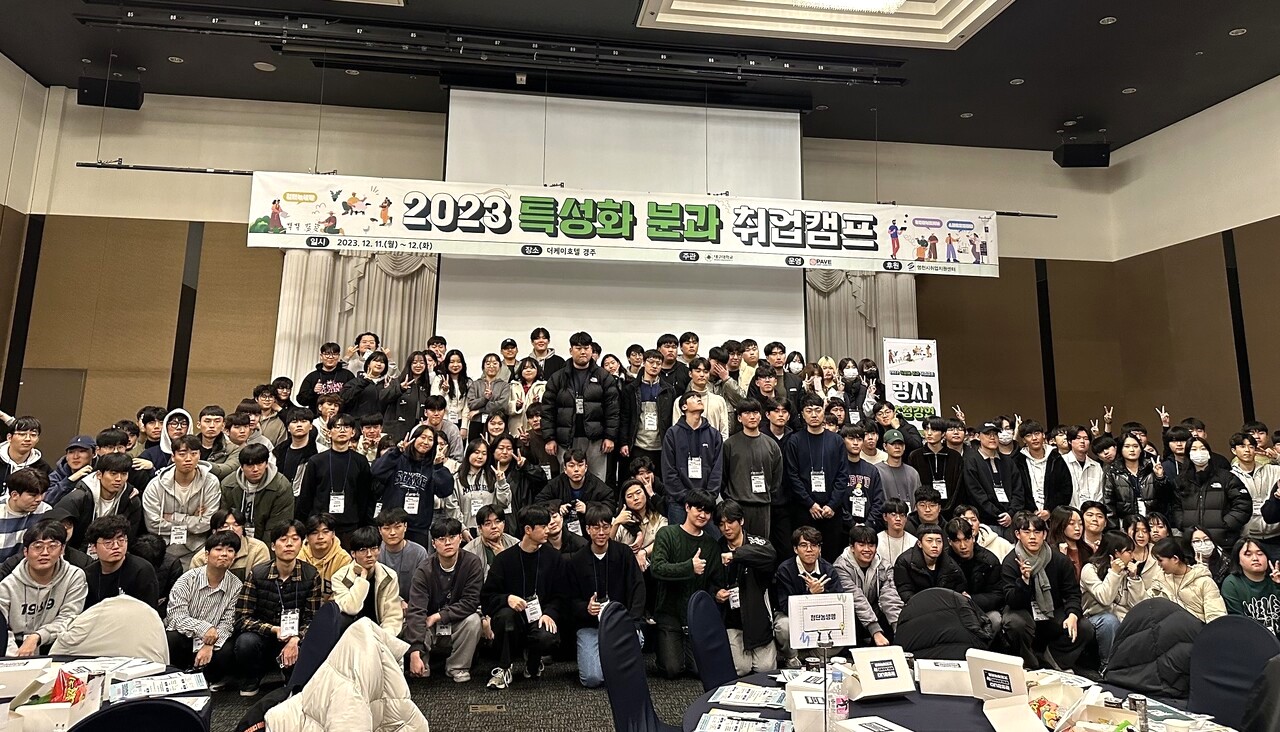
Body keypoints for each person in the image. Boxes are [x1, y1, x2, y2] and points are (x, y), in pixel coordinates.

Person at [233, 520, 324, 696]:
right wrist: (273, 629)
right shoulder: (258, 573)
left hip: (295, 637)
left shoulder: (311, 575)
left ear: (302, 544)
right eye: (283, 539)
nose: (289, 544)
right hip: (264, 636)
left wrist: (295, 638)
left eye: (295, 539)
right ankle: (253, 678)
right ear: (273, 546)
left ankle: (291, 676)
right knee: (245, 643)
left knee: (312, 644)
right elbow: (242, 618)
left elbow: (312, 619)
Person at [480, 504, 564, 690]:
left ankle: (533, 662)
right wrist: (507, 599)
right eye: (543, 526)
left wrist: (550, 613)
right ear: (528, 530)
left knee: (547, 635)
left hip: (540, 616)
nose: (548, 530)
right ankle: (504, 668)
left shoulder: (553, 557)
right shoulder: (504, 559)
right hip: (513, 619)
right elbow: (487, 597)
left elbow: (561, 594)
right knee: (505, 617)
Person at [1001, 512, 1093, 671]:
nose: (1032, 537)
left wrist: (1073, 614)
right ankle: (1030, 664)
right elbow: (1011, 600)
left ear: (1044, 534)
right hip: (1023, 610)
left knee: (1084, 627)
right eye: (1026, 532)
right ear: (1017, 534)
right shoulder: (1011, 561)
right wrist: (1024, 581)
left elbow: (1072, 593)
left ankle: (1054, 660)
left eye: (1037, 532)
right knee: (1015, 623)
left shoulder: (1059, 559)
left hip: (1052, 610)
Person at [568, 503, 646, 687]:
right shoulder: (577, 560)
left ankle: (612, 660)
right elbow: (569, 600)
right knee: (592, 678)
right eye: (596, 528)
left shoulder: (624, 553)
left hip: (621, 623)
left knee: (637, 638)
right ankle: (614, 662)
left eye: (605, 527)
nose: (601, 533)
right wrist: (586, 608)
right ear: (588, 529)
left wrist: (633, 621)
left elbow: (638, 588)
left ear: (611, 527)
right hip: (590, 626)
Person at [650, 489, 723, 678]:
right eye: (698, 509)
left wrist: (717, 592)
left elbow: (714, 581)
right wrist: (689, 567)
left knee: (700, 670)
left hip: (696, 618)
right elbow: (657, 569)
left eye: (707, 511)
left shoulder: (711, 545)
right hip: (669, 614)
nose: (703, 515)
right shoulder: (667, 534)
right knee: (672, 669)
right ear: (687, 507)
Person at [406, 517, 485, 683]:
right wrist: (414, 652)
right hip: (430, 625)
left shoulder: (472, 563)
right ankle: (422, 663)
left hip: (456, 621)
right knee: (416, 621)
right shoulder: (424, 570)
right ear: (434, 543)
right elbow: (416, 609)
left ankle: (457, 667)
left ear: (460, 538)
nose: (447, 543)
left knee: (473, 620)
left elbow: (471, 602)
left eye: (452, 537)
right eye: (441, 539)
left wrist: (439, 616)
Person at [166, 530, 244, 689]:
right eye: (218, 549)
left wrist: (210, 644)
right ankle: (176, 675)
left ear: (234, 557)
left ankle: (209, 679)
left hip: (214, 641)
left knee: (227, 649)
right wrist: (204, 629)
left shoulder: (236, 585)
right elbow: (176, 616)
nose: (224, 554)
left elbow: (228, 622)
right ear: (207, 554)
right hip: (186, 636)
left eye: (230, 551)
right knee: (172, 638)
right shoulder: (188, 579)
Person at [540, 331, 620, 481]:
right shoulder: (558, 377)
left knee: (596, 480)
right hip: (565, 438)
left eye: (586, 348)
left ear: (591, 350)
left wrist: (610, 437)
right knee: (567, 479)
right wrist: (549, 438)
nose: (583, 351)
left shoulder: (604, 377)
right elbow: (547, 410)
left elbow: (613, 410)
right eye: (578, 348)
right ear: (571, 351)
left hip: (596, 439)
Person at [0, 521, 87, 655]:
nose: (45, 553)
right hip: (15, 650)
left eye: (52, 546)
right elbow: (2, 628)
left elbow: (69, 617)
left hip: (58, 646)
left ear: (62, 549)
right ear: (25, 551)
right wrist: (16, 656)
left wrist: (37, 637)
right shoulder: (7, 585)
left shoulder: (74, 576)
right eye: (38, 546)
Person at [784, 393, 850, 562]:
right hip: (804, 510)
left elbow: (843, 475)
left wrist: (832, 505)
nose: (814, 415)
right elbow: (792, 476)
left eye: (818, 410)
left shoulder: (836, 440)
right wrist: (810, 504)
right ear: (802, 414)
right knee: (805, 555)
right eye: (809, 411)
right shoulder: (794, 441)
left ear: (824, 412)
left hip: (831, 511)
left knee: (831, 556)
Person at [714, 500, 778, 675]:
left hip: (758, 617)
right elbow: (710, 580)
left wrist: (736, 555)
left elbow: (771, 555)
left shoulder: (757, 542)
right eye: (721, 524)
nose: (726, 528)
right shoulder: (716, 547)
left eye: (730, 522)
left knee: (765, 669)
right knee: (741, 669)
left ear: (741, 521)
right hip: (733, 620)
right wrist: (716, 592)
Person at [143, 435, 222, 568]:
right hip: (164, 548)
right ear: (173, 457)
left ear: (200, 455)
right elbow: (153, 524)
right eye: (182, 454)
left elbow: (207, 522)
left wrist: (173, 517)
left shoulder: (211, 482)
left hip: (198, 548)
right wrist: (194, 520)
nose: (188, 459)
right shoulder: (155, 485)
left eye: (194, 454)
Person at [296, 414, 374, 545]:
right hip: (320, 525)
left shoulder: (360, 461)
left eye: (346, 427)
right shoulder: (316, 461)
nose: (342, 430)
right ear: (329, 432)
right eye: (337, 427)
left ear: (353, 432)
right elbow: (306, 496)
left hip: (350, 525)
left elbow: (364, 497)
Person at [372, 424, 456, 546]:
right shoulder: (397, 458)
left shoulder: (433, 466)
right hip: (392, 525)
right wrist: (397, 451)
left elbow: (445, 491)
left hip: (418, 528)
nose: (426, 442)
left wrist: (438, 466)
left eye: (430, 439)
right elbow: (376, 471)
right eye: (422, 437)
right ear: (413, 438)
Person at [773, 526, 845, 668]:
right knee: (783, 626)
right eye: (804, 545)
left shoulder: (828, 569)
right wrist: (810, 594)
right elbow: (785, 607)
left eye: (814, 545)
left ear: (819, 549)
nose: (809, 550)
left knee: (843, 627)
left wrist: (822, 593)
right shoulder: (785, 570)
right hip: (792, 617)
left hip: (820, 617)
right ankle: (792, 657)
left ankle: (812, 656)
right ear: (795, 549)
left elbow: (839, 605)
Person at [1171, 436, 1252, 551]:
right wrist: (1183, 523)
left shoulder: (1226, 477)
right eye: (1194, 449)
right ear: (1188, 454)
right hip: (1193, 541)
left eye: (1203, 448)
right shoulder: (1180, 481)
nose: (1199, 452)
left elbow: (1243, 504)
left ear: (1209, 452)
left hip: (1223, 542)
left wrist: (1225, 524)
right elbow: (1176, 507)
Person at [52, 452, 142, 550]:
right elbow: (54, 524)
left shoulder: (131, 500)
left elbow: (129, 537)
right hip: (78, 550)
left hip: (113, 550)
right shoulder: (78, 497)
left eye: (124, 474)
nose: (119, 479)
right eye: (113, 474)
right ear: (99, 474)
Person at [1080, 531, 1143, 670]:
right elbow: (1105, 599)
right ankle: (1107, 666)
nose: (1132, 556)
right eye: (1129, 552)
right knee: (1109, 621)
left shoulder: (1127, 570)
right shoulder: (1090, 569)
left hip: (1120, 615)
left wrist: (1134, 578)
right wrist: (1114, 573)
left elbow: (1138, 605)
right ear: (1116, 553)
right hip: (1095, 617)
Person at [721, 399, 783, 539]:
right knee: (737, 545)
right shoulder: (730, 444)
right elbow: (723, 476)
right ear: (739, 418)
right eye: (747, 413)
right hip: (737, 504)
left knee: (760, 546)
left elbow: (776, 477)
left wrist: (767, 493)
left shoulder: (771, 445)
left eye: (755, 412)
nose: (752, 417)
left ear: (760, 416)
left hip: (762, 505)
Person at [661, 392, 725, 527]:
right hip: (679, 502)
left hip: (707, 502)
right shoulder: (672, 434)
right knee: (678, 539)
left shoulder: (714, 434)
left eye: (699, 397)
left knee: (712, 539)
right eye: (693, 397)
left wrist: (708, 497)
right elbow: (668, 470)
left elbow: (717, 470)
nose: (698, 399)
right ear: (684, 407)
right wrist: (686, 498)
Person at [833, 525, 901, 645]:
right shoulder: (840, 567)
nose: (867, 549)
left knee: (890, 619)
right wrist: (875, 631)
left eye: (871, 545)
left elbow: (890, 597)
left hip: (875, 612)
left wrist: (898, 627)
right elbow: (856, 598)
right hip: (851, 616)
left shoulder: (884, 566)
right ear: (852, 547)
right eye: (861, 545)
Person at [330, 526, 403, 636]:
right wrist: (362, 578)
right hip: (348, 634)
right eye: (363, 550)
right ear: (353, 553)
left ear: (379, 549)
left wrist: (381, 638)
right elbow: (352, 608)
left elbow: (392, 617)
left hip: (380, 634)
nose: (369, 555)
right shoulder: (339, 578)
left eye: (373, 548)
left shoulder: (389, 576)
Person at [962, 421, 1029, 534]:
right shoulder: (971, 462)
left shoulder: (1008, 461)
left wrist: (1011, 513)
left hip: (1011, 520)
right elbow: (976, 493)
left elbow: (1018, 490)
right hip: (986, 522)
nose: (992, 437)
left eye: (995, 434)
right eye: (987, 434)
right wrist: (997, 514)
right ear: (978, 436)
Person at [219, 443, 292, 541]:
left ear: (267, 464)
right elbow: (223, 520)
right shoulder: (228, 485)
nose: (255, 469)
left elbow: (277, 526)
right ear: (241, 467)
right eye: (250, 465)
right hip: (234, 539)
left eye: (260, 464)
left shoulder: (281, 486)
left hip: (267, 540)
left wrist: (264, 549)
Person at [945, 517, 1006, 635]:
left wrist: (971, 599)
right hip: (952, 611)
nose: (963, 546)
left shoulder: (989, 560)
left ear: (973, 538)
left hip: (982, 610)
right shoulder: (944, 561)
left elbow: (998, 595)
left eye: (966, 539)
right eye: (957, 541)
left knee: (995, 619)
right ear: (950, 541)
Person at [83, 515, 159, 608]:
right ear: (93, 547)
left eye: (121, 540)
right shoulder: (88, 575)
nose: (116, 546)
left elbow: (149, 611)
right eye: (108, 543)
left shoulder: (142, 571)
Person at [619, 349, 676, 472]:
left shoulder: (668, 390)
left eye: (658, 363)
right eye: (651, 362)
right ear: (644, 363)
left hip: (660, 446)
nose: (655, 366)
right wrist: (624, 442)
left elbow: (671, 418)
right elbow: (625, 418)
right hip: (637, 445)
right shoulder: (631, 389)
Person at [536, 449, 613, 538]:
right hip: (562, 532)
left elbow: (610, 505)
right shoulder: (556, 484)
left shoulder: (597, 484)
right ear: (565, 469)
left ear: (586, 467)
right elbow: (539, 502)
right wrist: (557, 506)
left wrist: (588, 508)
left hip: (591, 533)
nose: (576, 470)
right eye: (571, 466)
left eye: (580, 465)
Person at [1147, 536, 1226, 623]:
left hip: (1198, 628)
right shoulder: (1159, 580)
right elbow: (1148, 606)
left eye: (1160, 560)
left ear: (1175, 559)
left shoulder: (1204, 582)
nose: (1158, 564)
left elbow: (1216, 616)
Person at [1231, 432, 1280, 560]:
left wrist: (1277, 457)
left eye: (1251, 446)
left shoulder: (1272, 470)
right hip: (1248, 536)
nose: (1247, 450)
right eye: (1242, 446)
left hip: (1277, 533)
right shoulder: (1229, 476)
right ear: (1234, 451)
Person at [446, 440, 510, 536]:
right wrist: (462, 529)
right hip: (467, 531)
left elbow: (504, 503)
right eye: (476, 452)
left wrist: (501, 482)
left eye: (484, 453)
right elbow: (452, 507)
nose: (480, 456)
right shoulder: (457, 479)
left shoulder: (494, 477)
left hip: (491, 530)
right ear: (468, 454)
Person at [1105, 431, 1168, 528]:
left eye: (1135, 446)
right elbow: (1108, 503)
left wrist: (1160, 477)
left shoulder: (1151, 467)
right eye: (1127, 446)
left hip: (1152, 522)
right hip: (1126, 523)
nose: (1132, 450)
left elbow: (1165, 497)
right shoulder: (1113, 472)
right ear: (1120, 449)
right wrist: (1114, 528)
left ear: (1141, 449)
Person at [893, 523, 966, 605]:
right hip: (916, 606)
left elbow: (959, 587)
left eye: (939, 541)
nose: (935, 545)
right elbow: (905, 591)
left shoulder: (949, 563)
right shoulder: (905, 562)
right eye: (929, 541)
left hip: (943, 605)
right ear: (919, 543)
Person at [191, 508, 271, 581]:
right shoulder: (200, 558)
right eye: (225, 526)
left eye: (236, 525)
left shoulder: (258, 549)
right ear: (214, 531)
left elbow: (260, 582)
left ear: (243, 528)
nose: (231, 529)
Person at [1221, 537, 1280, 634]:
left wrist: (1278, 585)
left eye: (1260, 554)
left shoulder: (1276, 578)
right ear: (1238, 560)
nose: (1255, 558)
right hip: (1249, 637)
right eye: (1248, 555)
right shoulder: (1232, 583)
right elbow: (1237, 622)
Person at [909, 417, 964, 517]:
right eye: (926, 429)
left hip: (951, 511)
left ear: (943, 434)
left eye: (934, 430)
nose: (929, 433)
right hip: (924, 510)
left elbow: (959, 488)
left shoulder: (955, 457)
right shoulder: (915, 456)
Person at [377, 508, 428, 602]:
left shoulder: (419, 552)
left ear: (405, 527)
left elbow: (423, 587)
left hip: (412, 604)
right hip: (381, 603)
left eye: (397, 527)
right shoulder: (374, 552)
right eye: (386, 528)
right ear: (379, 530)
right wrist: (398, 600)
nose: (392, 533)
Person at [841, 425, 886, 532]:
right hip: (843, 528)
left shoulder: (871, 470)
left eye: (859, 439)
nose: (856, 443)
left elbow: (878, 500)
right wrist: (851, 523)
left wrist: (868, 524)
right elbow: (835, 500)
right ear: (843, 440)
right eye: (851, 439)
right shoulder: (838, 468)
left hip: (868, 528)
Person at [383, 350, 435, 442]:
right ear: (409, 364)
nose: (418, 365)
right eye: (414, 363)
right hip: (397, 430)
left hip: (419, 430)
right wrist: (400, 388)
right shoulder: (397, 381)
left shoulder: (427, 386)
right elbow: (383, 397)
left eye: (422, 363)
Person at [0, 468, 51, 562]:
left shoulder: (45, 511)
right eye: (33, 495)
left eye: (42, 494)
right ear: (14, 495)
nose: (39, 499)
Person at [297, 342, 357, 410]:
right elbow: (301, 400)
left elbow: (354, 399)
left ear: (338, 356)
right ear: (321, 356)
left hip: (341, 415)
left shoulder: (347, 375)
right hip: (317, 415)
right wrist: (313, 391)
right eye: (327, 354)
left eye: (334, 354)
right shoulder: (312, 376)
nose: (331, 357)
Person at [464, 505, 519, 578]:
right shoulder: (469, 551)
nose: (494, 526)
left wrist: (504, 558)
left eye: (497, 522)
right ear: (480, 529)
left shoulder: (515, 545)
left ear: (504, 524)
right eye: (488, 524)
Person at [299, 513, 352, 584]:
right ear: (306, 537)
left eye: (325, 532)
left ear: (333, 534)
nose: (320, 537)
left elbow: (344, 589)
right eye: (315, 533)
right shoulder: (297, 556)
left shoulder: (343, 559)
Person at [45, 434, 96, 506]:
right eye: (71, 452)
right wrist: (70, 480)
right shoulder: (57, 475)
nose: (75, 456)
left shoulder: (100, 474)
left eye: (82, 451)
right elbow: (46, 501)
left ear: (94, 454)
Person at [0, 416, 50, 487]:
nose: (28, 439)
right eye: (22, 434)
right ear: (9, 437)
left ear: (37, 439)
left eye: (33, 435)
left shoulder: (42, 468)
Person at [340, 351, 391, 419]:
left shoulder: (388, 383)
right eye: (376, 361)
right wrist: (365, 381)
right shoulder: (356, 381)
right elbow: (344, 398)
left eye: (382, 362)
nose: (379, 364)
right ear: (368, 364)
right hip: (358, 421)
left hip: (379, 422)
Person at [273, 408, 317, 486]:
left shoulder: (320, 451)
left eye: (303, 421)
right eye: (294, 422)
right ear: (288, 428)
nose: (299, 425)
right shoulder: (278, 452)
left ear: (311, 426)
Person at [877, 499, 918, 566]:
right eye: (893, 515)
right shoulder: (877, 540)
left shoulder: (914, 542)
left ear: (906, 518)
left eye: (902, 515)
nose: (898, 519)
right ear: (885, 517)